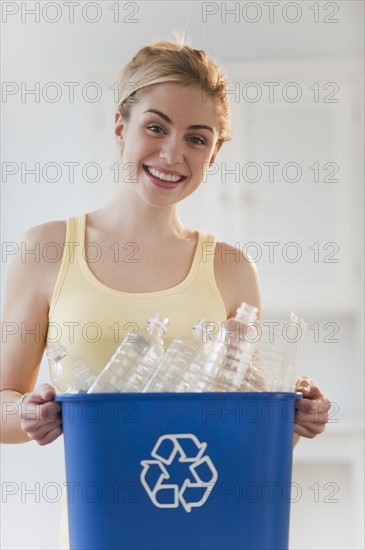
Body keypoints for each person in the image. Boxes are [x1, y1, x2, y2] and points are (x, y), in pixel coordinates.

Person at [1, 39, 330, 546]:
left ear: (214, 153)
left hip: (214, 529)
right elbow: (3, 404)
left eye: (197, 139)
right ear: (120, 129)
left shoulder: (231, 270)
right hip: (103, 529)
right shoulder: (47, 250)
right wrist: (26, 414)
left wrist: (295, 419)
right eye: (156, 127)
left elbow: (251, 435)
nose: (172, 153)